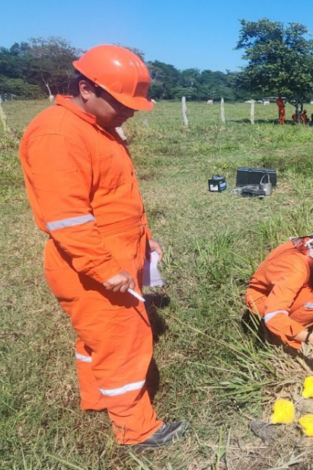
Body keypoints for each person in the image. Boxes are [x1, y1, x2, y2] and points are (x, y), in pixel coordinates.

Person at [18, 45, 187, 448]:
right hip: (92, 263)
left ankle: (97, 400)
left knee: (97, 339)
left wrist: (143, 241)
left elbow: (112, 198)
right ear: (86, 89)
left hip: (114, 254)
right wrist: (105, 267)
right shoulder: (58, 133)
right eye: (122, 102)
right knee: (123, 344)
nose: (131, 111)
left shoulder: (97, 127)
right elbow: (67, 218)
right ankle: (137, 430)